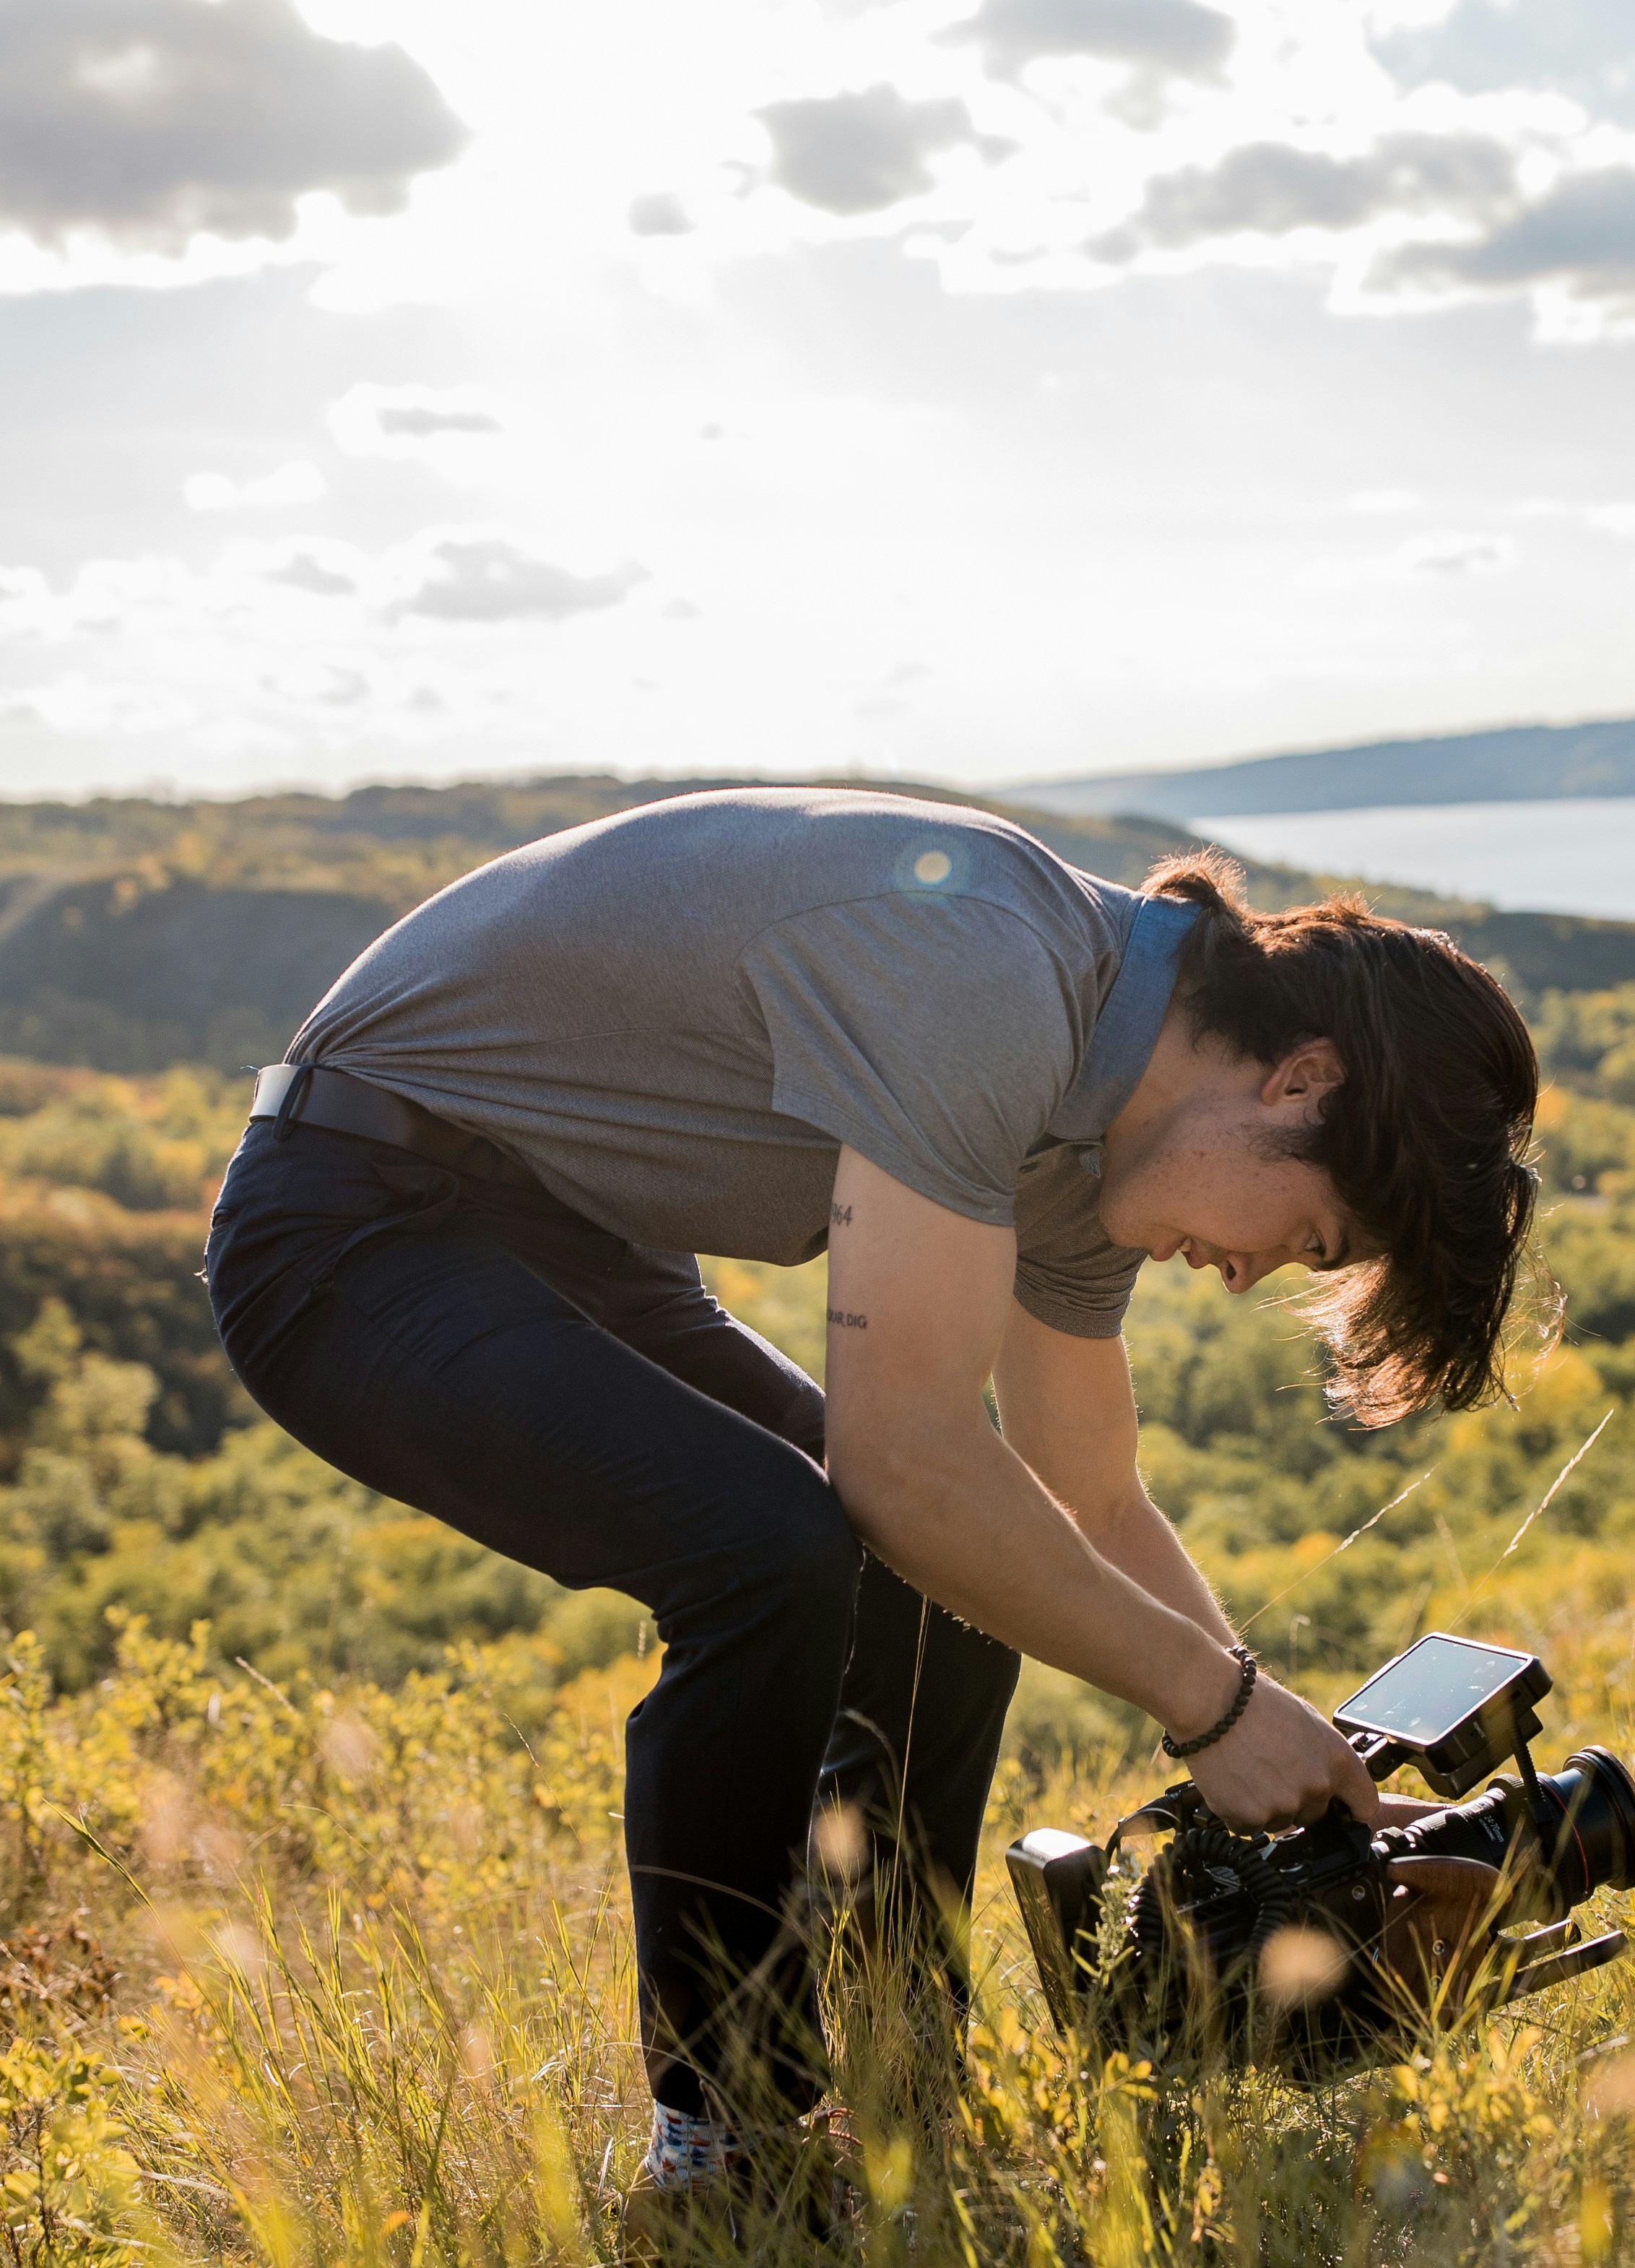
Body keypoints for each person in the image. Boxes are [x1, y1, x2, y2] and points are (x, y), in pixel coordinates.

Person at [203, 785, 1539, 2187]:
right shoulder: (991, 977)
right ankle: (732, 2150)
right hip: (359, 1216)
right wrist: (1209, 1710)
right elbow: (902, 1464)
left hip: (574, 1240)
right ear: (1301, 1081)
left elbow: (1080, 1494)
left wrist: (1285, 1744)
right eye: (1309, 1231)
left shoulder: (1095, 1144)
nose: (1258, 1269)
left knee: (947, 1585)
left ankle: (900, 2078)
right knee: (773, 1546)